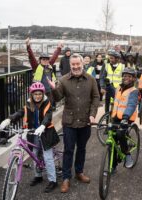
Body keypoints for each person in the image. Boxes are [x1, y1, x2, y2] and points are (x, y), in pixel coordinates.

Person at [47, 53, 100, 193]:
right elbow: (58, 98)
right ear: (70, 65)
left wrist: (93, 114)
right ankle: (66, 178)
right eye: (73, 64)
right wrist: (53, 89)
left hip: (85, 120)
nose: (76, 66)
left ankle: (79, 172)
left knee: (81, 148)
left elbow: (96, 97)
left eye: (78, 64)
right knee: (68, 149)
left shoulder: (91, 79)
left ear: (82, 64)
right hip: (69, 121)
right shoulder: (63, 80)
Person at [0, 82, 60, 193]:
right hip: (33, 133)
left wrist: (42, 126)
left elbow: (48, 116)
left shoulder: (47, 103)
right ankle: (38, 176)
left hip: (46, 133)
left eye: (40, 94)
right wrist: (9, 120)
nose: (38, 96)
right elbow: (20, 113)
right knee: (34, 154)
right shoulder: (28, 104)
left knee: (47, 157)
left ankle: (53, 181)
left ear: (43, 94)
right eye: (35, 94)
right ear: (32, 95)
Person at [111, 68, 139, 171]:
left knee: (120, 134)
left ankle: (127, 154)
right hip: (115, 117)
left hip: (127, 118)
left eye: (129, 76)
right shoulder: (118, 87)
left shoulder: (134, 91)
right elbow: (115, 102)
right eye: (125, 76)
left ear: (133, 78)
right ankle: (112, 166)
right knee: (111, 141)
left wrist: (125, 117)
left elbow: (131, 105)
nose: (126, 78)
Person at [26, 38, 62, 109]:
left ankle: (48, 119)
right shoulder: (36, 67)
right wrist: (28, 46)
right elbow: (32, 57)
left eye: (47, 59)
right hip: (39, 92)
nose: (45, 60)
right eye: (43, 59)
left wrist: (59, 48)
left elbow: (54, 56)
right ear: (40, 60)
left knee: (49, 108)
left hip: (49, 91)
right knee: (39, 108)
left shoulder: (49, 65)